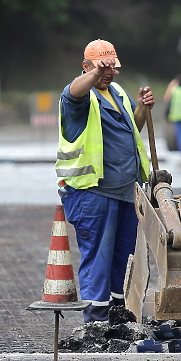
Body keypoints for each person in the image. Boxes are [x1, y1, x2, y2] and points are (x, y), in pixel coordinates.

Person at [55, 39, 154, 322]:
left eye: (112, 68)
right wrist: (95, 74)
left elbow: (131, 129)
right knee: (98, 259)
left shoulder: (118, 93)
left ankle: (115, 317)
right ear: (86, 67)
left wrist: (143, 110)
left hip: (125, 193)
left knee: (120, 261)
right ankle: (95, 321)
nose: (108, 74)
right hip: (93, 194)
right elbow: (73, 92)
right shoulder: (79, 97)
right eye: (102, 68)